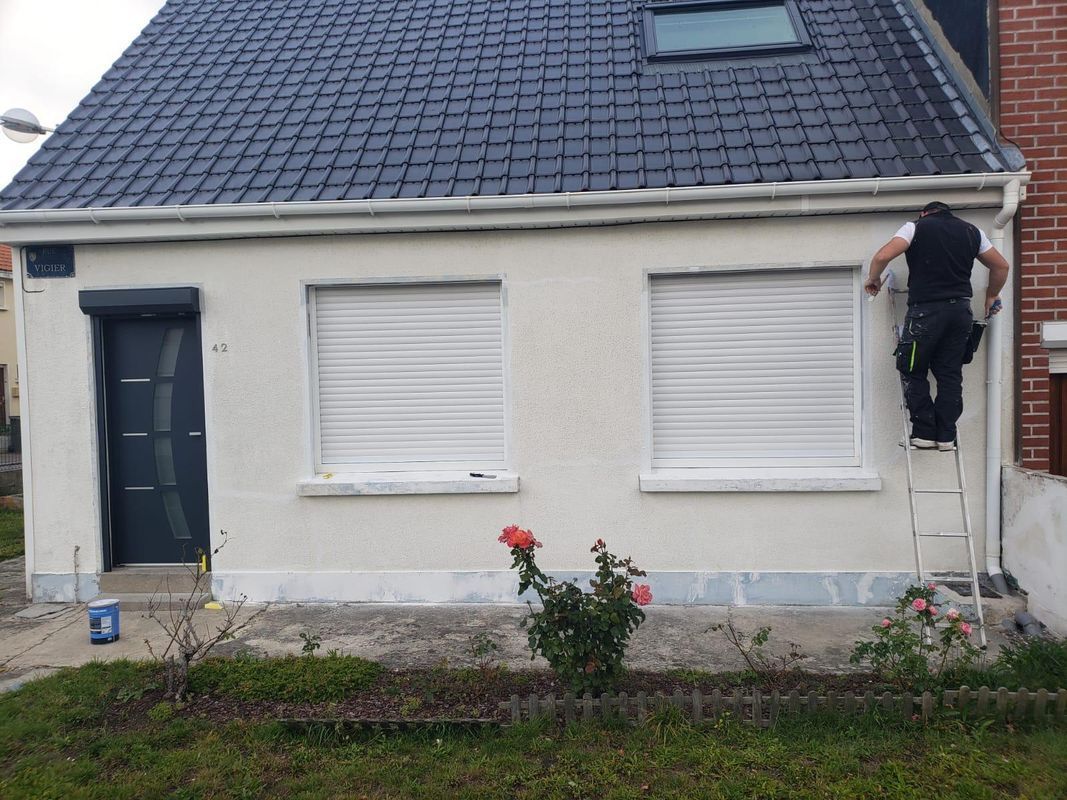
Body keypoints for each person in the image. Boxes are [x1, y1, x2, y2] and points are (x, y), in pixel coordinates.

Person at [864, 201, 1011, 451]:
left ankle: (923, 433)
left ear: (924, 213)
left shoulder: (915, 227)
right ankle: (945, 436)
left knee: (912, 367)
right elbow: (1001, 265)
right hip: (960, 312)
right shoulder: (973, 232)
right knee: (950, 374)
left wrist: (874, 278)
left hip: (926, 310)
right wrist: (991, 295)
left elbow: (882, 256)